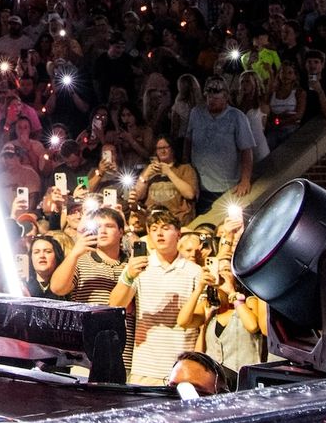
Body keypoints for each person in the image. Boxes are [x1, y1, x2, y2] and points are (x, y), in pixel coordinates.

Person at [112, 211, 210, 383]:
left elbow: (200, 318)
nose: (159, 233)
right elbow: (114, 306)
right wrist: (128, 276)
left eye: (165, 228)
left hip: (183, 368)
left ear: (178, 233)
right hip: (146, 367)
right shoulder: (139, 267)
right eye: (154, 229)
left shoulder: (194, 271)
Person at [185, 78, 255, 214]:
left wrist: (245, 180)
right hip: (199, 184)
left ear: (226, 97)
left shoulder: (237, 117)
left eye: (216, 98)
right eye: (209, 97)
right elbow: (188, 140)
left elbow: (246, 150)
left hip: (225, 186)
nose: (212, 101)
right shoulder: (196, 113)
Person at [49, 205, 128, 304]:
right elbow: (57, 288)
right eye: (98, 227)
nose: (103, 231)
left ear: (120, 232)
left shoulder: (131, 263)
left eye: (109, 226)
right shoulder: (80, 261)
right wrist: (74, 254)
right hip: (87, 319)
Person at [129, 136, 197, 223]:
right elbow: (137, 196)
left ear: (172, 149)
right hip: (152, 219)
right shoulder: (149, 170)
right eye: (159, 148)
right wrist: (145, 176)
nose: (162, 151)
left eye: (165, 147)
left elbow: (190, 194)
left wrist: (169, 172)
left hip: (177, 220)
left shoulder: (185, 168)